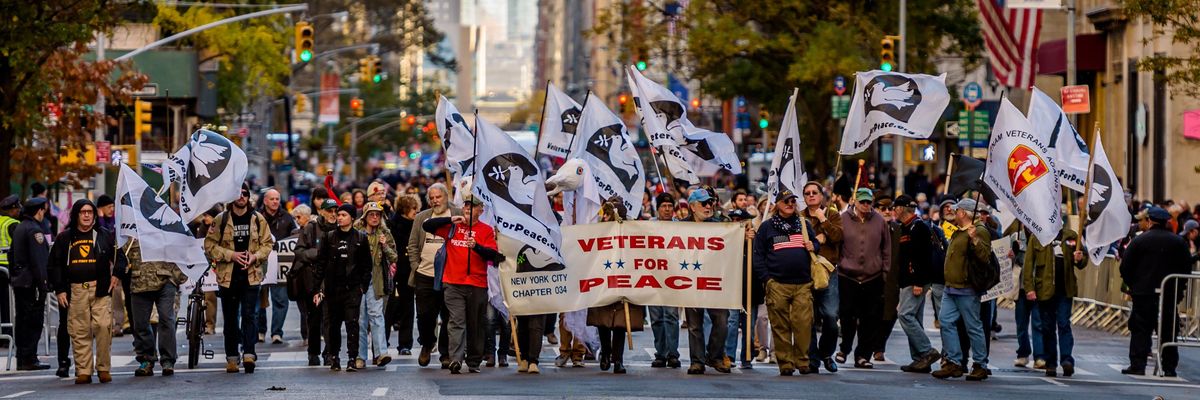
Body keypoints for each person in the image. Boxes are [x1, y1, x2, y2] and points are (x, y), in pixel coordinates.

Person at [422, 193, 504, 374]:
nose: (467, 208)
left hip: (477, 284)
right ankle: (455, 359)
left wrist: (476, 247)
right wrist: (451, 219)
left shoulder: (486, 230)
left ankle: (474, 361)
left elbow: (493, 255)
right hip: (453, 283)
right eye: (466, 205)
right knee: (456, 322)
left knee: (475, 324)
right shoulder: (453, 226)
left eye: (472, 206)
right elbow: (426, 225)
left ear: (481, 211)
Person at [49, 199, 124, 384]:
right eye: (82, 212)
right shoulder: (64, 238)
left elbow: (120, 256)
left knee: (103, 326)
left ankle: (103, 368)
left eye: (89, 211)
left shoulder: (105, 235)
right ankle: (83, 371)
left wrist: (116, 274)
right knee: (79, 330)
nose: (86, 215)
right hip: (75, 290)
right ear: (76, 215)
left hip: (100, 288)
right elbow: (54, 265)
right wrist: (59, 290)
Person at [204, 184, 275, 374]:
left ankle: (249, 354)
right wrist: (231, 255)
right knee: (230, 318)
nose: (242, 197)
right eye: (238, 194)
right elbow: (209, 245)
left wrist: (255, 256)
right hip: (228, 277)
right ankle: (232, 357)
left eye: (245, 194)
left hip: (251, 276)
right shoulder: (221, 219)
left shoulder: (258, 219)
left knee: (250, 315)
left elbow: (268, 244)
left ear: (248, 197)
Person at [1119, 207, 1191, 377]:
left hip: (1143, 292)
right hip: (1169, 292)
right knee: (1168, 330)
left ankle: (1138, 364)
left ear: (1150, 221)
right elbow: (1186, 269)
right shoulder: (1178, 242)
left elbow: (1125, 266)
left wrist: (1133, 286)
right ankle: (1169, 367)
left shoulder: (1140, 241)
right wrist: (1179, 291)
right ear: (1166, 222)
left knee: (1141, 328)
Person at [754, 190, 818, 376]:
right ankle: (786, 363)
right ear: (777, 204)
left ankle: (803, 361)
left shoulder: (804, 224)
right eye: (786, 201)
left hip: (803, 283)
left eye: (792, 200)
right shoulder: (767, 227)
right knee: (780, 325)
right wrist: (767, 279)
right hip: (777, 283)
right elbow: (758, 255)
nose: (790, 203)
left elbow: (815, 244)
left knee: (803, 323)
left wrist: (814, 245)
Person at [931, 198, 992, 381]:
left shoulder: (979, 231)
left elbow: (984, 256)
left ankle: (980, 364)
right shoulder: (959, 230)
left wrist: (974, 239)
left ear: (963, 213)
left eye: (956, 210)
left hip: (966, 288)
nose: (953, 213)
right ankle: (954, 361)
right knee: (945, 321)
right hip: (952, 287)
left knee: (973, 326)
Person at [587, 200, 646, 375]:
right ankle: (606, 352)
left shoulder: (631, 232)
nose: (604, 217)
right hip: (603, 281)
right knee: (603, 321)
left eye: (607, 214)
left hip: (625, 280)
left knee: (620, 323)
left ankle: (618, 359)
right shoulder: (597, 232)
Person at [314, 204, 373, 372]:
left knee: (352, 324)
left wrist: (362, 286)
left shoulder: (361, 238)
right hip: (332, 289)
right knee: (333, 325)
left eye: (343, 215)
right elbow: (321, 263)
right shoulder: (329, 237)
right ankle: (334, 357)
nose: (339, 217)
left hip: (353, 289)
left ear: (352, 218)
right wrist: (318, 288)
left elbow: (366, 266)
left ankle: (352, 358)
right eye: (338, 214)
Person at [836, 188, 891, 369]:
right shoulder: (842, 218)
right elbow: (837, 243)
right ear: (855, 201)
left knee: (870, 318)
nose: (866, 205)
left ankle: (863, 355)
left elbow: (886, 248)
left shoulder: (880, 221)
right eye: (863, 202)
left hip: (872, 277)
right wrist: (839, 264)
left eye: (869, 202)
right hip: (847, 275)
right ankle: (845, 348)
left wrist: (885, 270)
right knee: (847, 315)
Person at [406, 183, 459, 368]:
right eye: (432, 198)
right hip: (424, 274)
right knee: (424, 315)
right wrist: (416, 266)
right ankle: (427, 344)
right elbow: (412, 245)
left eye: (439, 197)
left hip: (449, 274)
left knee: (448, 315)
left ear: (446, 197)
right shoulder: (422, 217)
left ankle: (445, 353)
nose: (436, 201)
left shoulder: (457, 214)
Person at [1023, 226, 1086, 377]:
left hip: (1065, 289)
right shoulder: (1037, 236)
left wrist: (1080, 258)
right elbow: (1028, 264)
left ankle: (1067, 360)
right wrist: (1029, 288)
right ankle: (1051, 363)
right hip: (1045, 290)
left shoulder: (1071, 235)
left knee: (1064, 324)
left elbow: (1083, 261)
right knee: (1047, 327)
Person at [684, 189, 732, 375]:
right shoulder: (680, 227)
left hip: (715, 280)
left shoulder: (720, 226)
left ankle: (715, 356)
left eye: (710, 202)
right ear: (692, 206)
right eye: (704, 203)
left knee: (721, 321)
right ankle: (697, 361)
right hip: (690, 281)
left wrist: (744, 237)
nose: (708, 206)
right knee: (694, 325)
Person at [892, 195, 941, 373]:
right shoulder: (906, 227)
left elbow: (923, 257)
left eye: (896, 207)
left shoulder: (918, 226)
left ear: (903, 208)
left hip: (916, 280)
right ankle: (920, 360)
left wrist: (918, 282)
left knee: (905, 315)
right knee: (915, 318)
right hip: (908, 280)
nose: (893, 210)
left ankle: (927, 351)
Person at [126, 238, 186, 377]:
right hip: (139, 281)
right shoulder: (131, 226)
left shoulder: (165, 221)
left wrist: (175, 278)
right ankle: (146, 359)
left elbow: (181, 248)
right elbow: (122, 253)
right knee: (140, 324)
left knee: (167, 320)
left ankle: (168, 361)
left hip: (165, 280)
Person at [800, 182, 843, 373]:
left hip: (828, 272)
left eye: (814, 192)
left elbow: (838, 237)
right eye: (807, 193)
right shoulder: (799, 216)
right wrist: (815, 240)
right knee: (807, 318)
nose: (811, 196)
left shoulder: (832, 214)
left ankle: (827, 354)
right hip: (805, 272)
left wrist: (823, 220)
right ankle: (812, 359)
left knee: (831, 317)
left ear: (821, 195)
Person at [295, 198, 339, 365]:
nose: (333, 214)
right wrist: (318, 253)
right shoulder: (311, 228)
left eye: (335, 211)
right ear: (321, 211)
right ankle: (313, 352)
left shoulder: (340, 228)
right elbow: (299, 251)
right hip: (313, 280)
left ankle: (329, 353)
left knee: (331, 319)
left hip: (333, 281)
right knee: (314, 319)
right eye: (329, 211)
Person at [10, 197, 51, 371]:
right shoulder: (35, 230)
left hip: (20, 281)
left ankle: (22, 358)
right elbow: (39, 262)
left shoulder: (20, 227)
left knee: (22, 320)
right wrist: (44, 285)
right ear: (40, 210)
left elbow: (11, 256)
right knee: (33, 321)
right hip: (31, 283)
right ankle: (30, 358)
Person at [354, 201, 397, 369]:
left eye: (377, 214)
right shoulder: (356, 233)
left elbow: (394, 257)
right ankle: (360, 356)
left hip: (376, 279)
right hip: (358, 280)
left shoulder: (385, 233)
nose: (374, 217)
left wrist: (384, 245)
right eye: (371, 214)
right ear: (365, 217)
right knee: (361, 319)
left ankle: (381, 353)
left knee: (377, 316)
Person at [257, 188, 298, 345]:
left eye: (277, 199)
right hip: (260, 262)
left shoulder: (287, 218)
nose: (275, 202)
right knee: (259, 299)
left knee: (280, 299)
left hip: (281, 264)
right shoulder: (256, 217)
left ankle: (276, 333)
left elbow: (294, 236)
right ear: (265, 201)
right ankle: (260, 331)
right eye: (272, 199)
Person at [647, 192, 681, 369]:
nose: (667, 210)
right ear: (658, 208)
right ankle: (660, 354)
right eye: (663, 206)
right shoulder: (648, 226)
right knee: (656, 318)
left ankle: (673, 354)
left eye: (670, 206)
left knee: (671, 316)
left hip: (673, 278)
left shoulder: (681, 227)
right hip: (653, 277)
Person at [723, 208, 760, 370]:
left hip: (751, 289)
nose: (736, 222)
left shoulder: (756, 239)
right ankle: (729, 355)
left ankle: (747, 356)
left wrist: (752, 240)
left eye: (740, 219)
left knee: (749, 325)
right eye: (733, 219)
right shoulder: (727, 238)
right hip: (732, 289)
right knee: (731, 322)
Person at [386, 195, 420, 355]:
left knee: (408, 307)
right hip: (394, 269)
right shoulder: (393, 224)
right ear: (405, 209)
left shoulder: (416, 225)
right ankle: (382, 341)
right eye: (413, 208)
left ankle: (405, 344)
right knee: (389, 306)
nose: (416, 211)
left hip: (408, 270)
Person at [873, 196, 901, 363]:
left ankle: (879, 347)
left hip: (893, 278)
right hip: (871, 275)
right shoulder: (869, 227)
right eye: (882, 208)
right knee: (871, 313)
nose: (887, 211)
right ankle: (871, 346)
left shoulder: (899, 229)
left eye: (890, 208)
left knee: (890, 314)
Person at [0, 195, 19, 349]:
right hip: (6, 268)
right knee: (8, 305)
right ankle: (7, 336)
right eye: (16, 208)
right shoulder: (13, 224)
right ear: (12, 210)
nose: (18, 210)